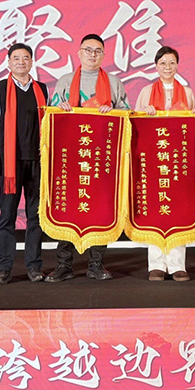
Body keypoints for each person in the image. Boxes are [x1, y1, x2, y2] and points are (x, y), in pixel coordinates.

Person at [45, 34, 130, 283]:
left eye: (97, 51)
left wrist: (112, 112)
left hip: (102, 159)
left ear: (103, 55)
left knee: (100, 209)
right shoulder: (65, 81)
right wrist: (60, 109)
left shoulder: (113, 82)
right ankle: (64, 265)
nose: (93, 54)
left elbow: (127, 115)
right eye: (88, 50)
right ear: (79, 53)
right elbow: (51, 117)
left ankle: (96, 264)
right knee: (68, 207)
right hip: (72, 158)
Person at [0, 43, 49, 285]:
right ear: (9, 62)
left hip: (38, 162)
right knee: (7, 215)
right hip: (9, 163)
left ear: (32, 62)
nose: (21, 62)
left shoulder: (42, 89)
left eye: (26, 58)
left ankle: (34, 266)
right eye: (16, 58)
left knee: (36, 217)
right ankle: (4, 268)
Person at [134, 46, 195, 282]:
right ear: (156, 65)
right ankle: (157, 265)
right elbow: (135, 122)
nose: (168, 67)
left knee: (178, 210)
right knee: (155, 209)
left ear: (177, 65)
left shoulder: (187, 92)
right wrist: (145, 112)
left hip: (178, 161)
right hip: (154, 160)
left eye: (172, 63)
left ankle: (178, 265)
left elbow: (192, 127)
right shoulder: (146, 91)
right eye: (163, 63)